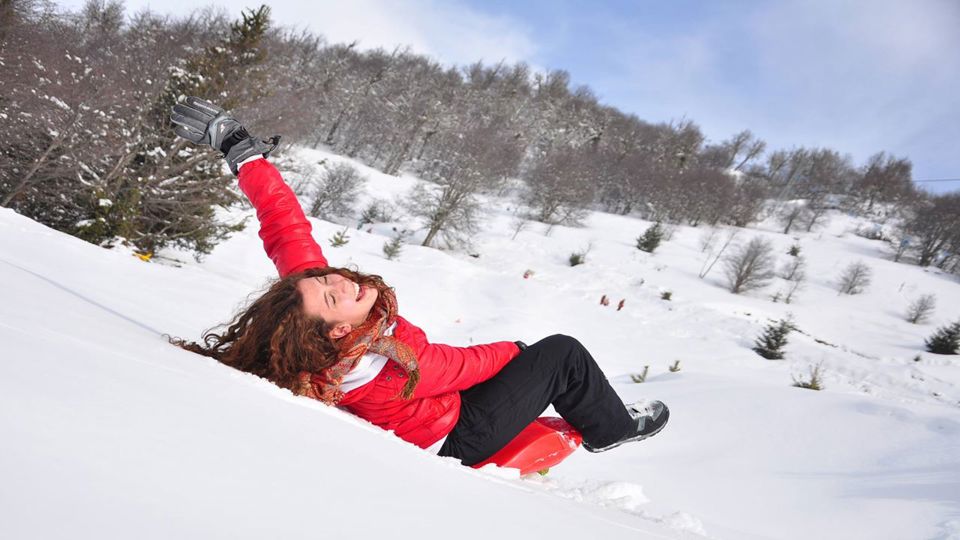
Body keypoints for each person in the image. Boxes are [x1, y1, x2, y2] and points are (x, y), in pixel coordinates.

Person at [169, 97, 669, 466]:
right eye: (331, 295)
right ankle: (614, 430)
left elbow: (284, 224)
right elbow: (451, 367)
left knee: (520, 366)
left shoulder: (313, 322)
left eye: (325, 279)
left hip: (437, 408)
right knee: (561, 353)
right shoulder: (383, 361)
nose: (338, 280)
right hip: (455, 438)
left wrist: (243, 153)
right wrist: (517, 351)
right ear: (339, 331)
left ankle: (570, 406)